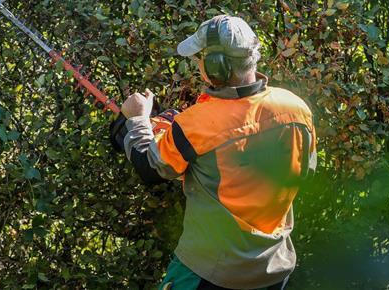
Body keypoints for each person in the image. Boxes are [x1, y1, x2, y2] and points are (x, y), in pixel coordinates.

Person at [110, 15, 317, 290]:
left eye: (201, 58)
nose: (198, 65)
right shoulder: (296, 109)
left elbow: (149, 166)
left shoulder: (197, 123)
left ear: (215, 65)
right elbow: (306, 171)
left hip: (209, 272)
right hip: (274, 269)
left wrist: (137, 119)